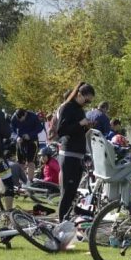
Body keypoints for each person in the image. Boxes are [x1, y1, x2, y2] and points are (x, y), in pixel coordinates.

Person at [56, 82, 95, 221]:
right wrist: (80, 124)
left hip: (78, 154)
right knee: (67, 192)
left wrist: (86, 126)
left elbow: (77, 128)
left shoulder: (79, 109)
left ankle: (66, 218)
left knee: (72, 192)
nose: (87, 103)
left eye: (89, 101)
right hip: (69, 154)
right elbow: (61, 130)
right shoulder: (67, 107)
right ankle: (61, 221)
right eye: (86, 100)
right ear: (79, 94)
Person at [11, 108, 44, 183]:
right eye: (18, 119)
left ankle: (30, 181)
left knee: (31, 162)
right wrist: (16, 137)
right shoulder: (14, 117)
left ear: (25, 114)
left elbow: (40, 128)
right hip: (20, 141)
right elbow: (11, 130)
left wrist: (30, 135)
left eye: (21, 119)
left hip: (32, 141)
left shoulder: (33, 116)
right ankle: (20, 181)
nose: (20, 121)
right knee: (20, 162)